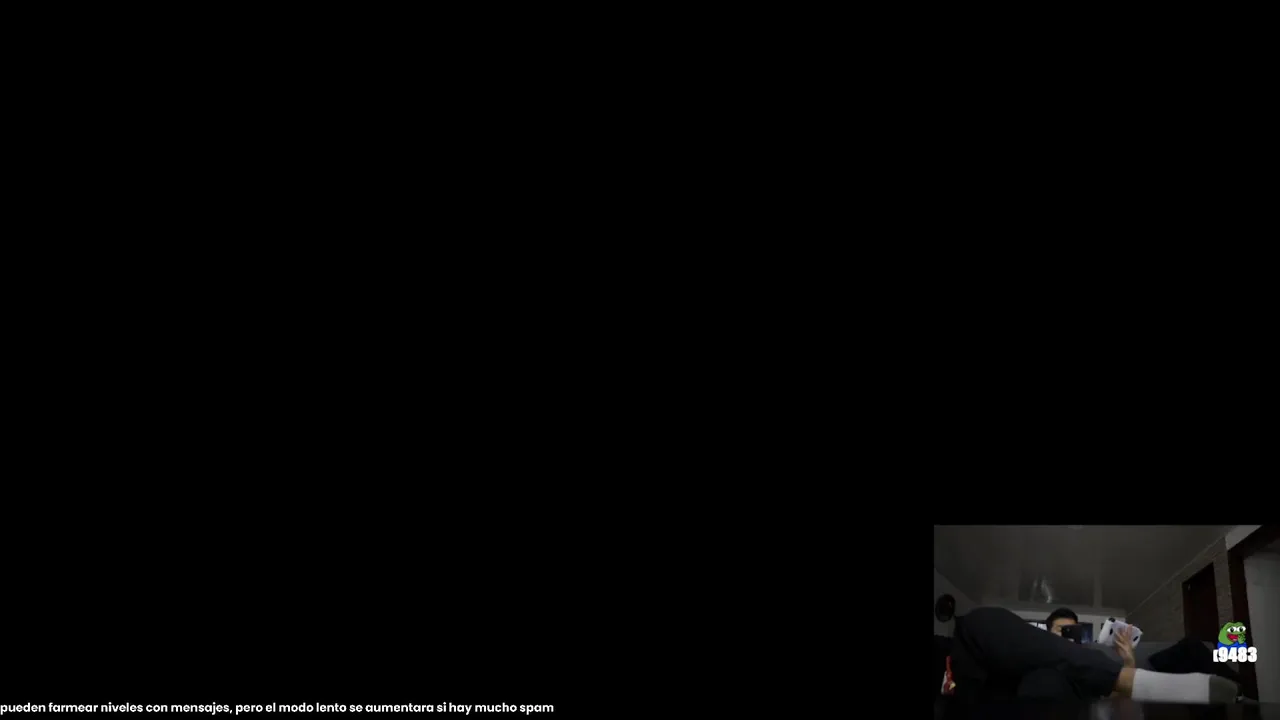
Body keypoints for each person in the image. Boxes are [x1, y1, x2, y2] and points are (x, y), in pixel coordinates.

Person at [946, 606, 1238, 707]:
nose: (1068, 637)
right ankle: (1130, 679)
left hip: (1021, 700)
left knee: (1048, 679)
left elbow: (1114, 704)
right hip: (983, 680)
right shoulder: (1015, 648)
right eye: (1061, 631)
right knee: (980, 621)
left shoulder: (1085, 663)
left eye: (1073, 632)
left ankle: (1128, 678)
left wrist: (1128, 660)